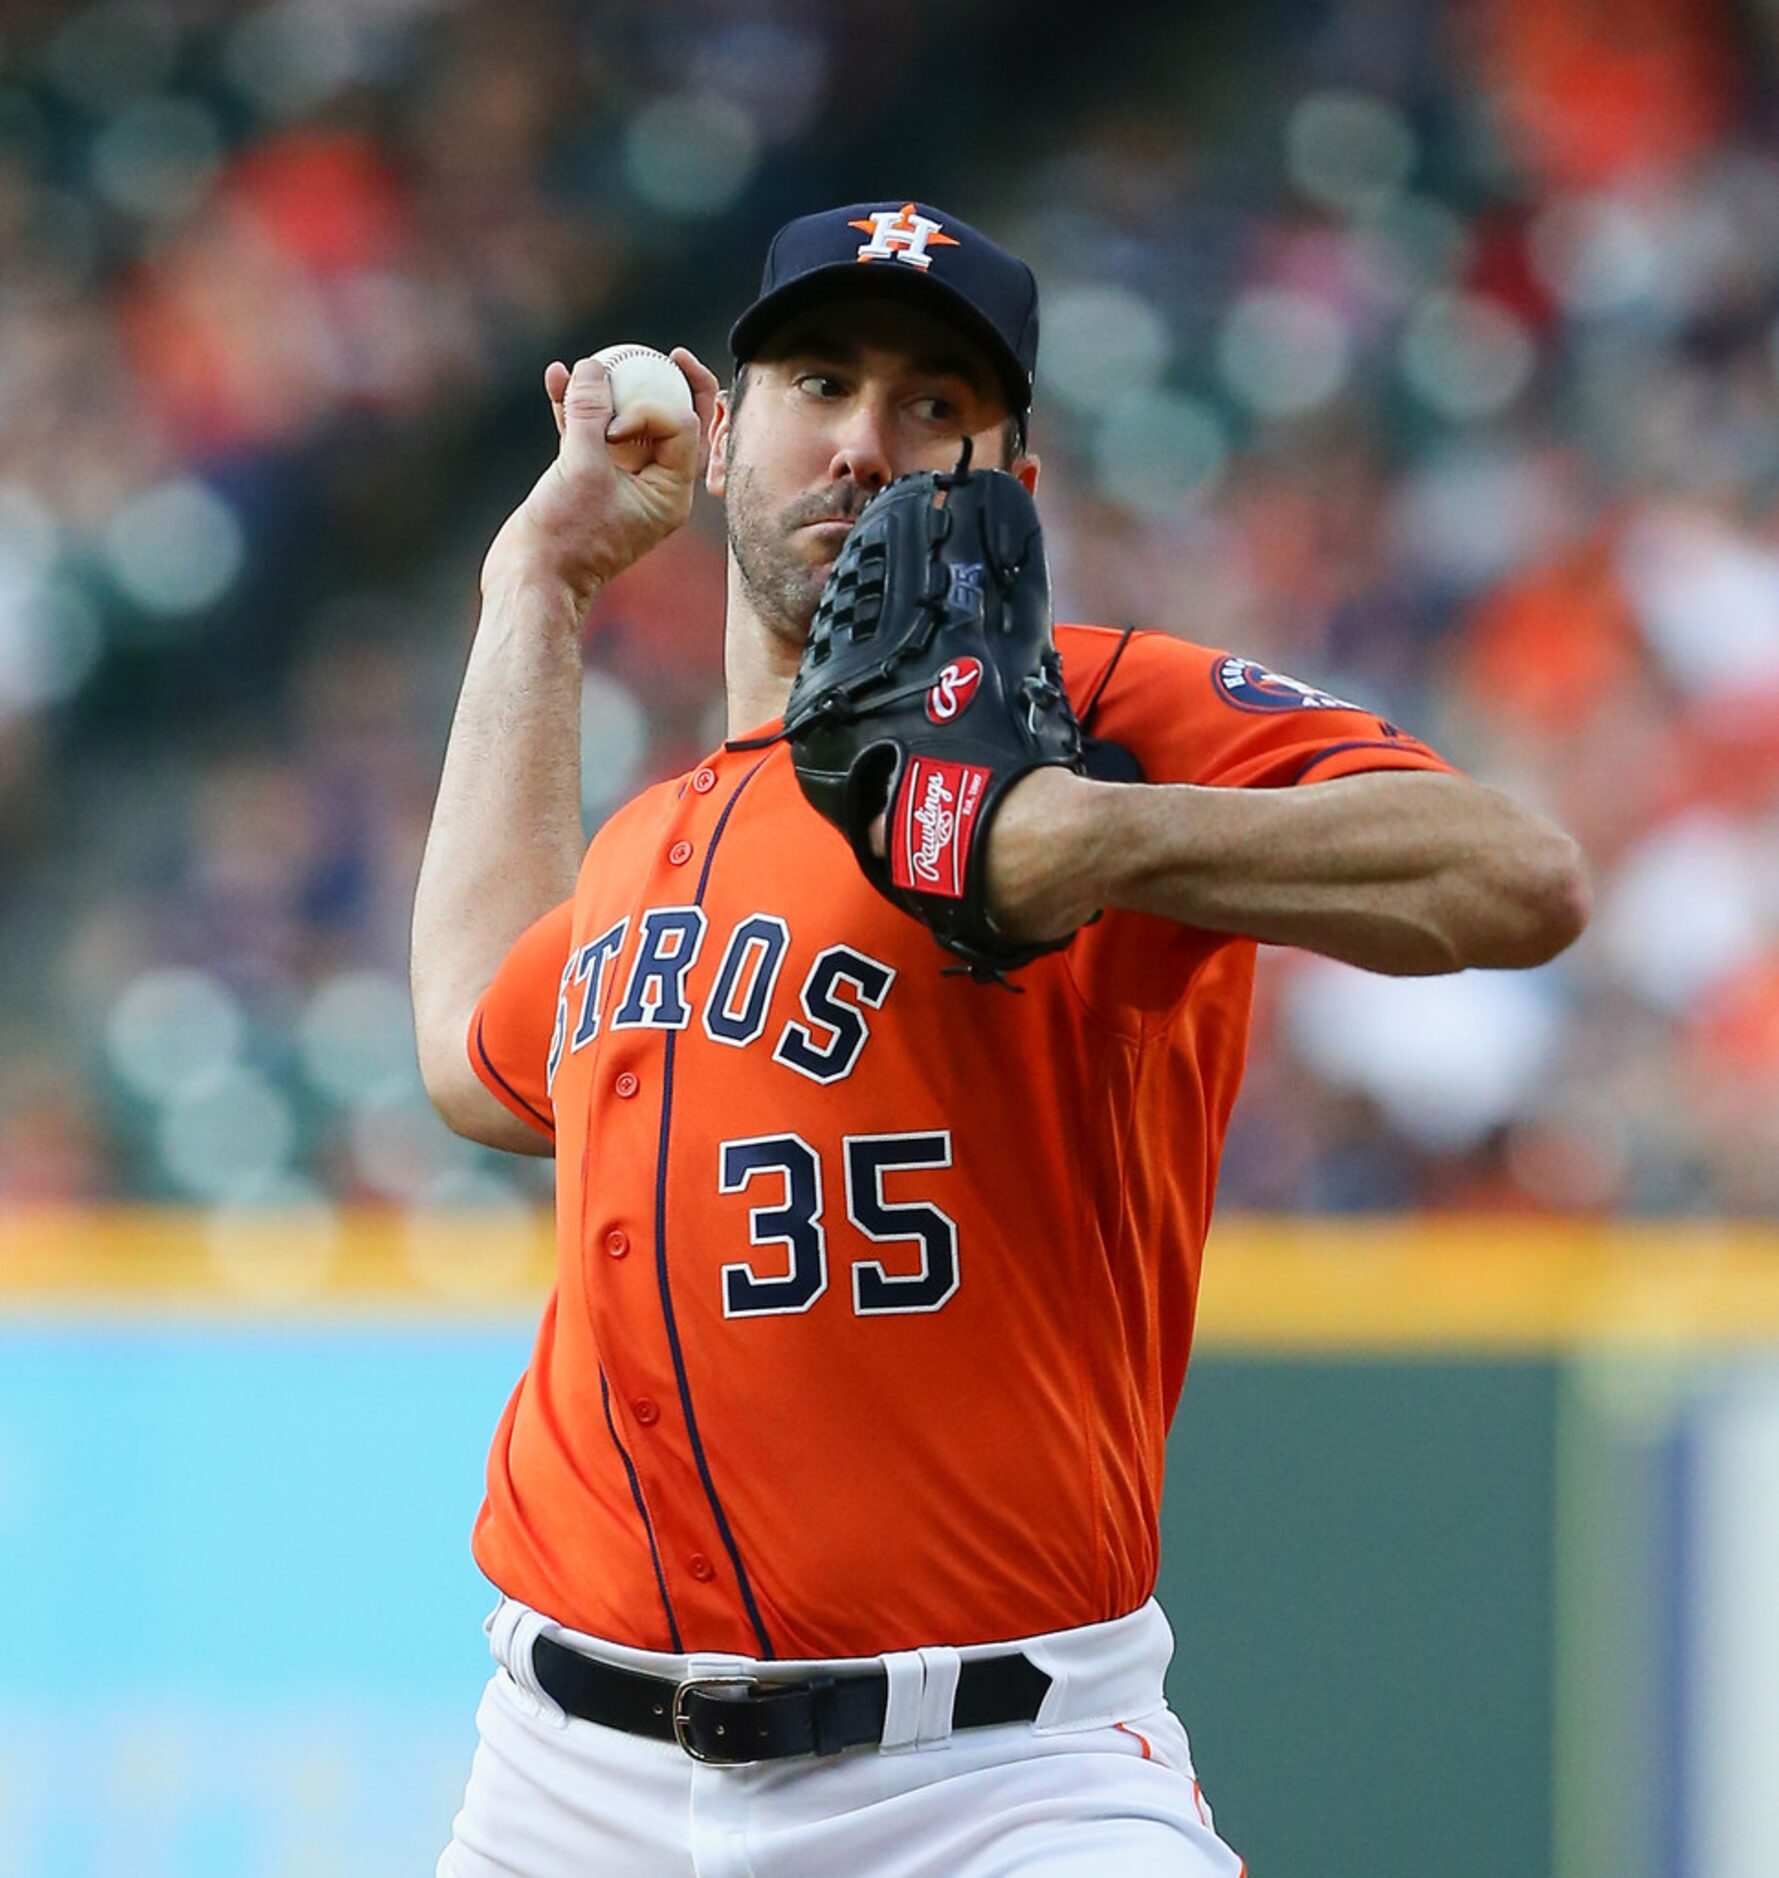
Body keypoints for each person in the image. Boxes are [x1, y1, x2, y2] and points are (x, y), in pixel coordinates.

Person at [412, 200, 1589, 1877]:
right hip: (561, 1781)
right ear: (728, 432)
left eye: (934, 406)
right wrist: (539, 580)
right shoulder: (653, 834)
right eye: (820, 382)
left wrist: (1094, 838)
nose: (865, 446)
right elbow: (469, 1053)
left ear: (1010, 489)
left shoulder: (1086, 713)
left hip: (991, 1786)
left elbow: (1513, 878)